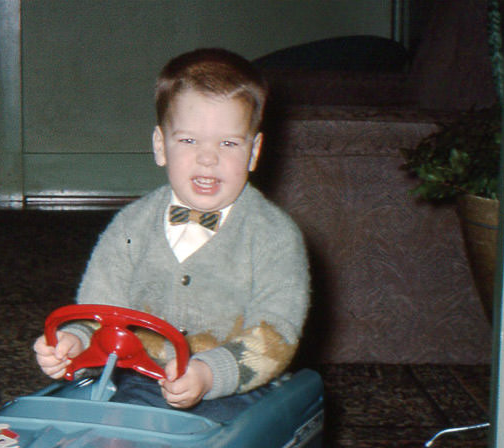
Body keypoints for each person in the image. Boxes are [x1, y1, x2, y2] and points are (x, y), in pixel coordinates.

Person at [33, 47, 309, 420]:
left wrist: (210, 373)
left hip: (237, 387)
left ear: (254, 151)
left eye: (228, 143)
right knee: (67, 422)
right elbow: (99, 308)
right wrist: (75, 341)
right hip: (135, 375)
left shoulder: (273, 235)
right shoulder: (131, 225)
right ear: (161, 146)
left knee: (200, 445)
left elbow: (277, 331)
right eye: (189, 140)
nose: (208, 158)